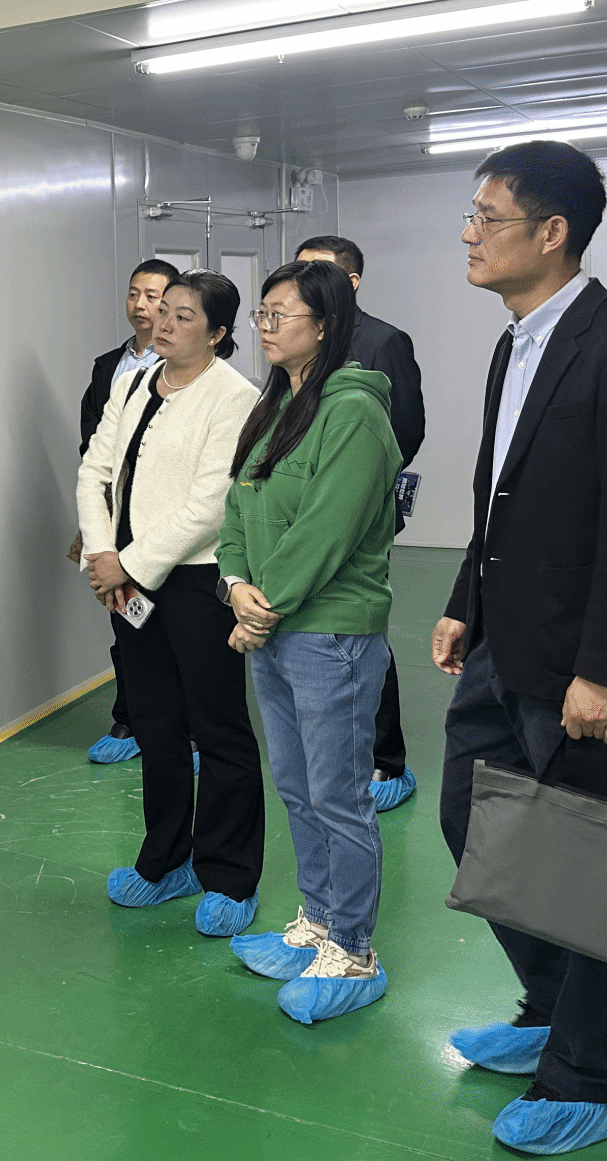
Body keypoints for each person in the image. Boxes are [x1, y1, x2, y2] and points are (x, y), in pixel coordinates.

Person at [432, 142, 607, 1156]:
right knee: (471, 821)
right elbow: (500, 493)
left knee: (592, 866)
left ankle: (587, 1072)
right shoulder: (518, 342)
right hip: (504, 639)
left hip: (577, 660)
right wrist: (465, 599)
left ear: (552, 233)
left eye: (486, 217)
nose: (467, 235)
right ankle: (560, 1004)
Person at [218, 260, 402, 1023]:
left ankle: (354, 949)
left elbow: (328, 530)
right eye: (261, 313)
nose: (264, 327)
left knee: (339, 795)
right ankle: (318, 921)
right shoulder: (276, 405)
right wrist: (234, 581)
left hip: (331, 634)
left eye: (280, 314)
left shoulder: (353, 412)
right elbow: (237, 508)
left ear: (324, 327)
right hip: (274, 627)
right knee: (296, 786)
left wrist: (259, 611)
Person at [76, 271, 266, 936]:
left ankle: (231, 875)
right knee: (156, 725)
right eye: (164, 310)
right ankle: (166, 860)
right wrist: (103, 554)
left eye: (184, 316)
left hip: (195, 583)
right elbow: (96, 469)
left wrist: (125, 564)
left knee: (218, 729)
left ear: (217, 334)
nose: (163, 322)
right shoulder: (134, 382)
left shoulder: (235, 397)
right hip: (127, 579)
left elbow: (210, 506)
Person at [297, 234, 426, 811]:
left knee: (359, 627)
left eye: (315, 272)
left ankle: (386, 758)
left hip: (359, 512)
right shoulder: (298, 337)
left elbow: (406, 429)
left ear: (350, 283)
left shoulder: (382, 340)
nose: (300, 282)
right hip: (301, 511)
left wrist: (352, 487)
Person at [78, 259, 181, 764]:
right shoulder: (108, 368)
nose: (142, 306)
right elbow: (91, 451)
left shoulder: (188, 366)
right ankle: (130, 717)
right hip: (116, 520)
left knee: (175, 627)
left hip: (169, 521)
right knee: (125, 620)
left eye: (154, 296)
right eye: (134, 293)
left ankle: (185, 728)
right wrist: (92, 527)